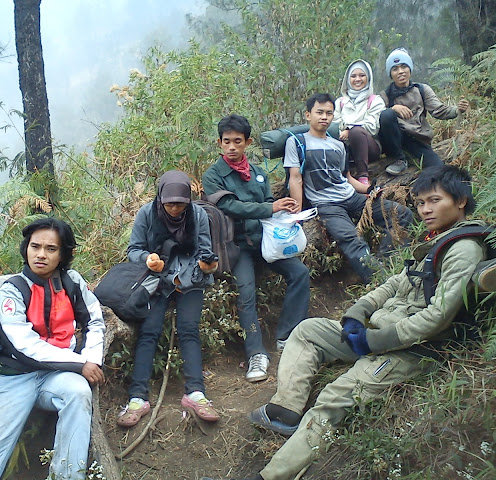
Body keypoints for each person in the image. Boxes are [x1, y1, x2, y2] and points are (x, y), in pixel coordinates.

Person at [203, 165, 486, 480]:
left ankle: (269, 476)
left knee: (334, 397)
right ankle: (286, 409)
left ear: (461, 201)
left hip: (414, 350)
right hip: (378, 330)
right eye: (420, 203)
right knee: (308, 331)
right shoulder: (439, 240)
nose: (425, 209)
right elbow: (396, 283)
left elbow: (438, 317)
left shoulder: (463, 250)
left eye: (434, 200)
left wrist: (375, 341)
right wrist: (357, 311)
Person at [0, 218, 105, 480]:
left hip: (56, 376)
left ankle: (67, 476)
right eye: (35, 246)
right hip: (15, 377)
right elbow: (24, 345)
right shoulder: (13, 289)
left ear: (63, 254)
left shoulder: (71, 281)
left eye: (51, 249)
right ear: (25, 248)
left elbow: (94, 319)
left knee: (78, 393)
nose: (41, 254)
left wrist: (92, 358)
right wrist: (79, 364)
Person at [202, 114, 311, 383]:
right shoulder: (214, 176)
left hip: (265, 242)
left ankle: (286, 335)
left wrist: (284, 212)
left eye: (237, 141)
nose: (231, 147)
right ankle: (256, 354)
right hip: (237, 246)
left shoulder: (259, 174)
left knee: (299, 273)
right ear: (219, 143)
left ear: (247, 142)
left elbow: (269, 204)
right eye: (226, 141)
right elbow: (230, 207)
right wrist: (270, 207)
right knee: (246, 294)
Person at [117, 170, 220, 427]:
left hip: (191, 280)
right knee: (148, 331)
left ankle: (195, 393)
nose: (175, 209)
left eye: (181, 204)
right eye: (169, 203)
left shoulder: (197, 215)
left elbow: (205, 249)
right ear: (160, 198)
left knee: (189, 330)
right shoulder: (147, 214)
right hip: (158, 281)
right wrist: (148, 260)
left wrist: (208, 266)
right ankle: (138, 397)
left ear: (188, 201)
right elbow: (134, 250)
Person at [285, 93, 413, 283]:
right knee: (352, 241)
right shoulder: (296, 142)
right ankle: (381, 281)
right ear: (307, 115)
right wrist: (296, 214)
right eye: (319, 112)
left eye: (329, 113)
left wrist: (369, 191)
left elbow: (346, 178)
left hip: (352, 198)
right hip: (327, 205)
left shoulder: (338, 145)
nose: (324, 117)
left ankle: (387, 265)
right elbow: (295, 178)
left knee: (402, 214)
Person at [378, 47, 470, 175]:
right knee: (386, 114)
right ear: (390, 74)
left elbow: (438, 110)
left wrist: (457, 110)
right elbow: (376, 117)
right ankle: (398, 159)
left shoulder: (422, 89)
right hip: (395, 140)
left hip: (417, 139)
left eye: (404, 66)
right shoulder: (384, 95)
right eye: (395, 69)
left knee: (438, 169)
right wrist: (392, 109)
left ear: (410, 68)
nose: (400, 71)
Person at [333, 59, 386, 185]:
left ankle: (363, 176)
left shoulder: (375, 101)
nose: (357, 79)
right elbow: (334, 123)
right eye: (353, 76)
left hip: (369, 147)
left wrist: (350, 129)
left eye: (362, 75)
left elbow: (373, 127)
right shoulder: (340, 102)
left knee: (356, 132)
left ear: (368, 78)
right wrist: (344, 131)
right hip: (345, 146)